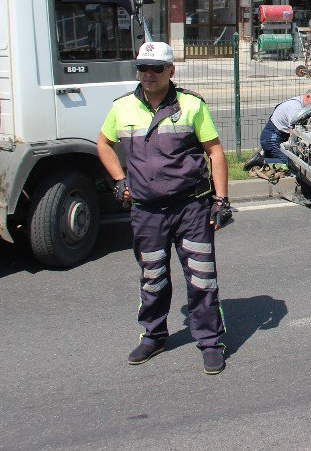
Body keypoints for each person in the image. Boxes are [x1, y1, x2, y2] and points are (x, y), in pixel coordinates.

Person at [96, 41, 231, 375]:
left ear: (171, 70)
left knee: (202, 279)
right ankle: (153, 336)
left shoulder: (191, 106)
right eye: (143, 68)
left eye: (156, 68)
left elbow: (214, 151)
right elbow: (103, 143)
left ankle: (210, 341)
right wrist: (119, 180)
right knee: (152, 277)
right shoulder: (122, 108)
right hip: (146, 212)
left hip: (190, 209)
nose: (149, 75)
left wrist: (221, 200)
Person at [244, 87, 311, 170]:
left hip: (277, 136)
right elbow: (293, 131)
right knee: (286, 164)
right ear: (307, 97)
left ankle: (265, 154)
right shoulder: (295, 107)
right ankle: (259, 161)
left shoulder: (300, 102)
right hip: (272, 138)